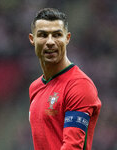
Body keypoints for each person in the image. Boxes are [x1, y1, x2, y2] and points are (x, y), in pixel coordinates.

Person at [28, 8, 101, 150]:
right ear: (32, 39)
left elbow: (72, 146)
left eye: (57, 35)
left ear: (67, 38)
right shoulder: (35, 87)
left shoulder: (79, 85)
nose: (50, 42)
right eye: (43, 35)